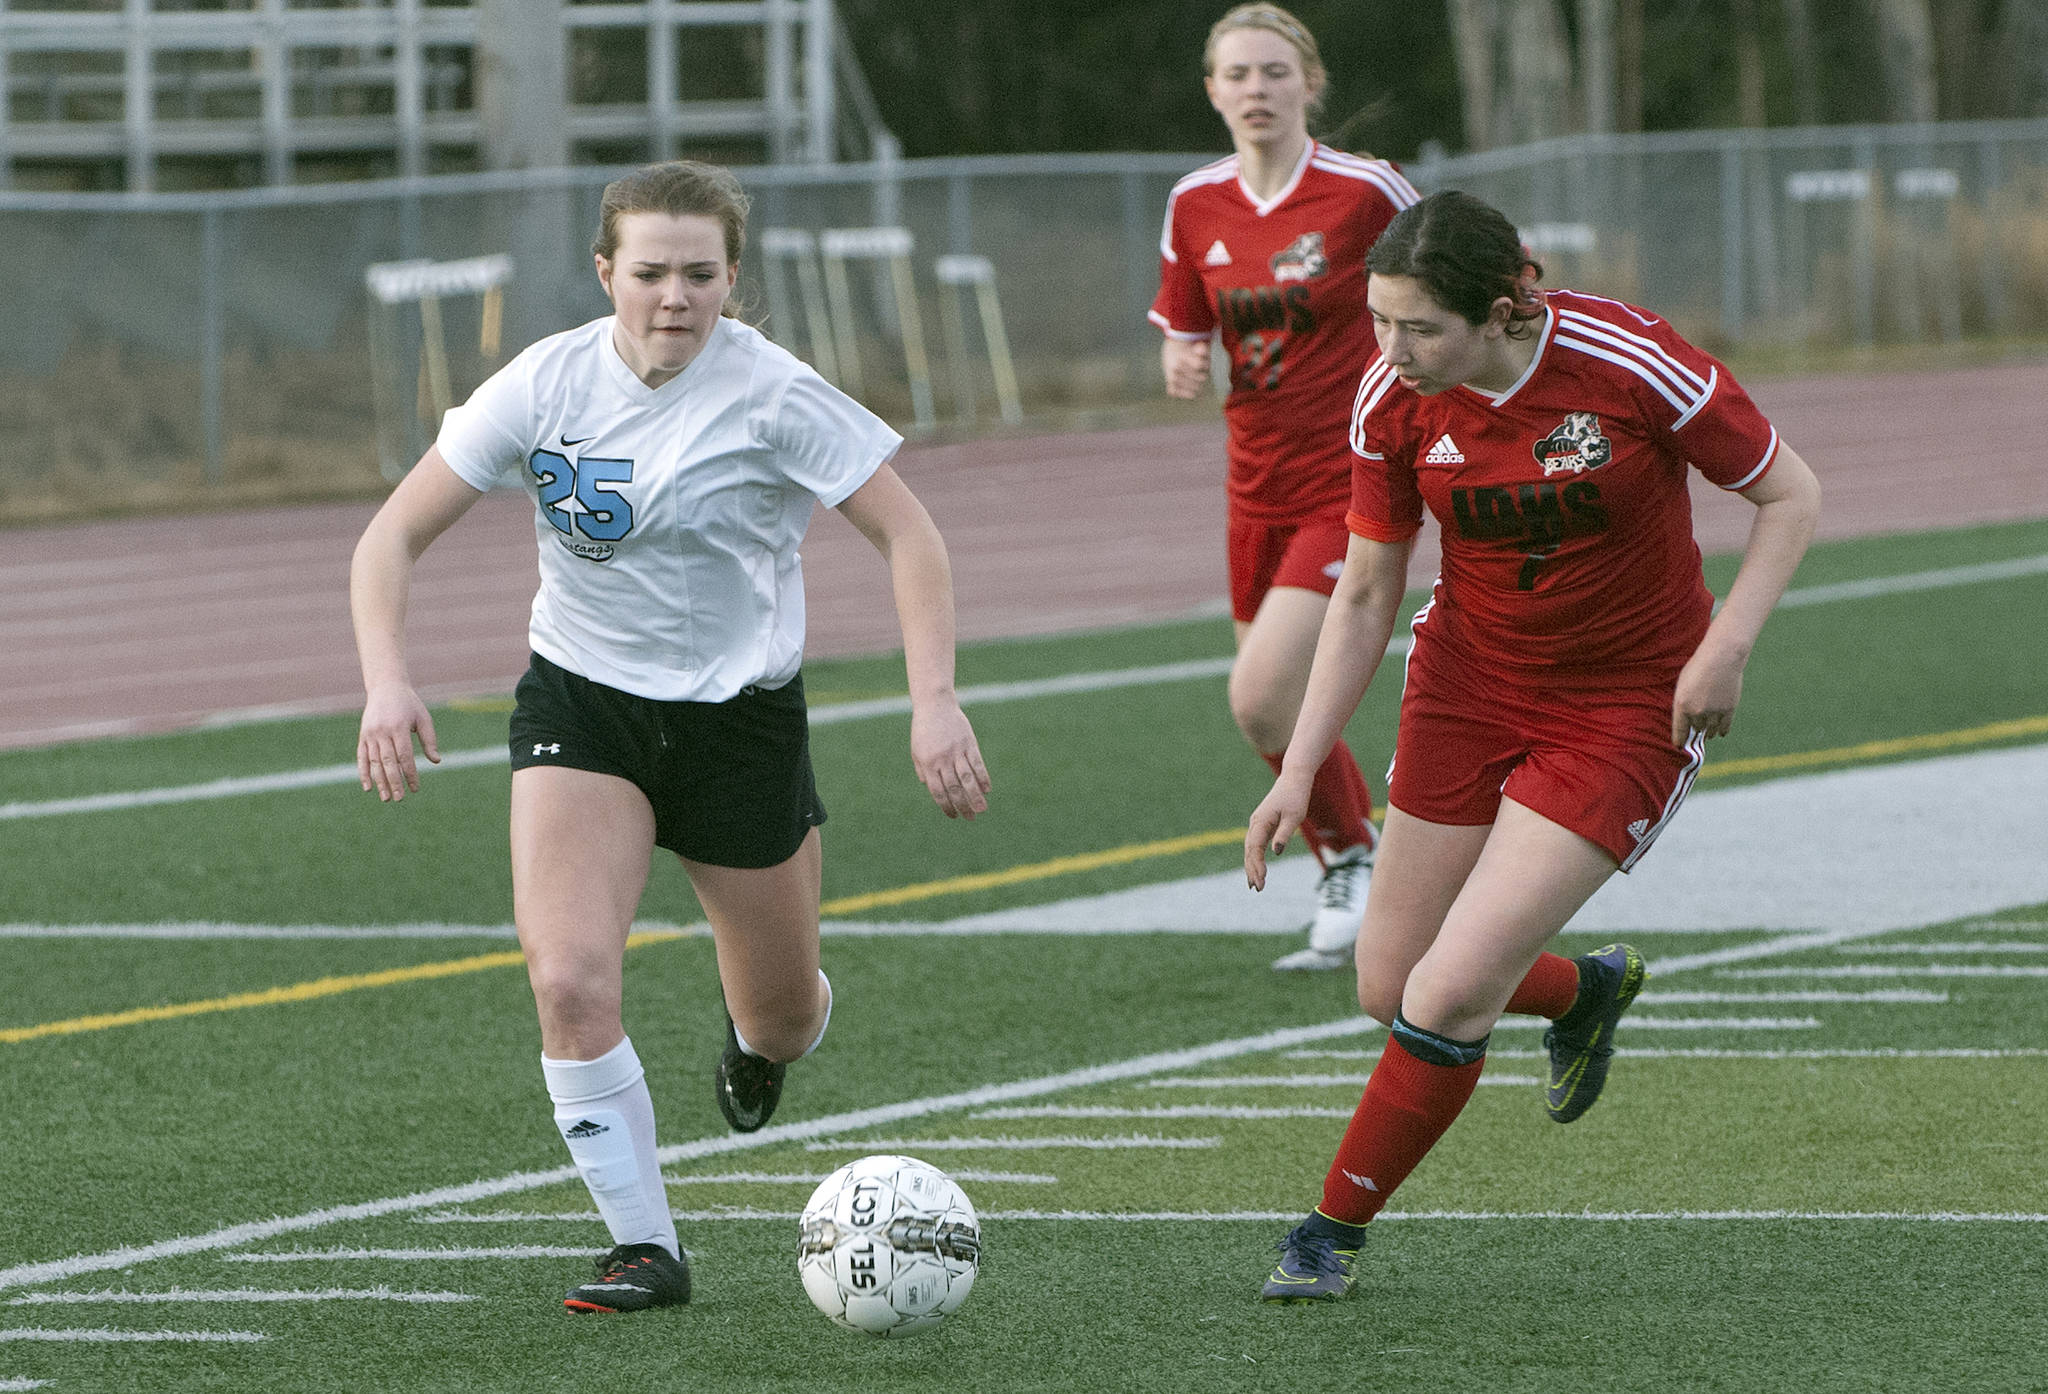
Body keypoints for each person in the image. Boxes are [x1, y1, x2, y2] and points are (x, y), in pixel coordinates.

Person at [350, 160, 991, 1315]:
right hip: (581, 708)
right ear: (606, 273)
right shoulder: (541, 383)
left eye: (700, 274)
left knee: (785, 1011)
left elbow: (913, 539)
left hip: (739, 726)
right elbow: (387, 538)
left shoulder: (774, 392)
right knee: (570, 978)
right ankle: (644, 1244)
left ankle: (759, 1042)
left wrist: (931, 697)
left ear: (730, 278)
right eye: (648, 272)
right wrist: (387, 681)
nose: (674, 296)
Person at [1245, 190, 1821, 1300]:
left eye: (1418, 328)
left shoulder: (1627, 361)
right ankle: (1579, 993)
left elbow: (1788, 494)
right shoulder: (1391, 397)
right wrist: (1301, 763)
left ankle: (1326, 1232)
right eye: (1376, 320)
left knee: (1449, 988)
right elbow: (1366, 590)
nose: (1389, 350)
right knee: (1388, 980)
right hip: (1466, 686)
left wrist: (1726, 644)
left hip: (1625, 705)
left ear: (1505, 310)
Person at [1151, 4, 1419, 971]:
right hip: (1251, 488)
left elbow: (1448, 280)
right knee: (1277, 708)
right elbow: (1187, 321)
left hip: (1352, 481)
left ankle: (1353, 858)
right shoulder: (1195, 203)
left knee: (1260, 696)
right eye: (1237, 74)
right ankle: (1358, 857)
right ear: (1213, 90)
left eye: (1274, 72)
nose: (1256, 90)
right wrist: (1183, 356)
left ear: (1310, 83)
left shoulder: (1365, 192)